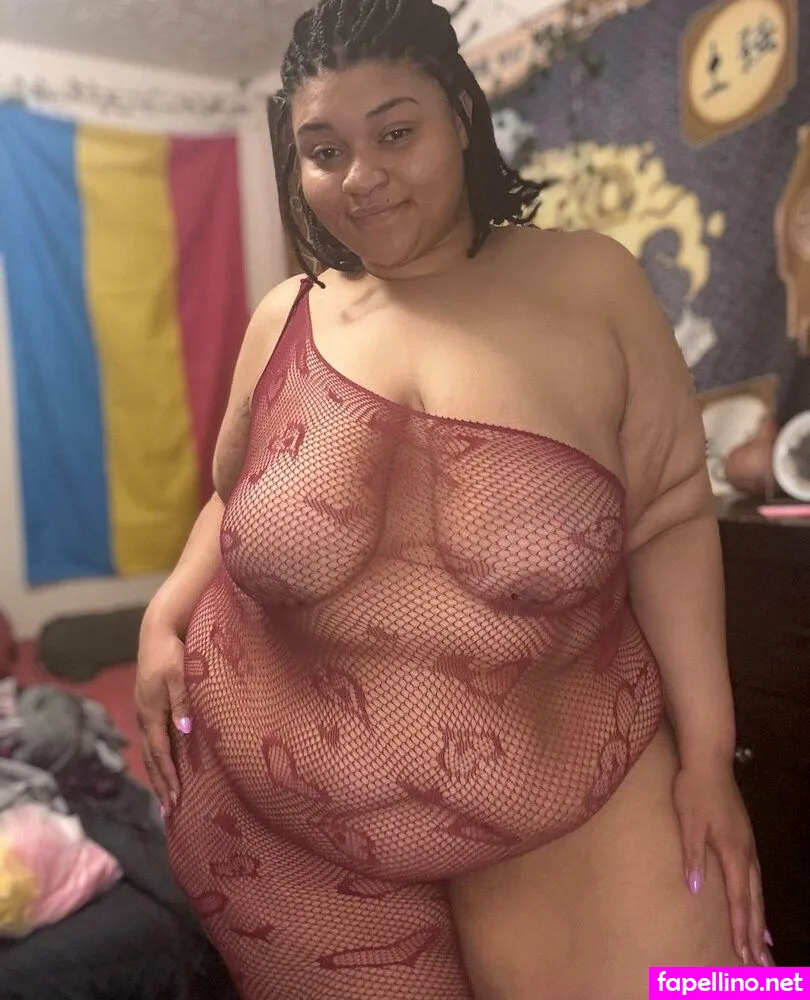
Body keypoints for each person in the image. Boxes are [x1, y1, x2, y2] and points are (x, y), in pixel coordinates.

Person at [135, 0, 771, 996]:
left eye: (396, 132)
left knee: (740, 989)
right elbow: (235, 498)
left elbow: (672, 516)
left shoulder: (591, 281)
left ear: (461, 117)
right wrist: (164, 613)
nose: (361, 176)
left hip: (569, 800)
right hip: (284, 839)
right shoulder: (286, 314)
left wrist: (709, 756)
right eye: (324, 150)